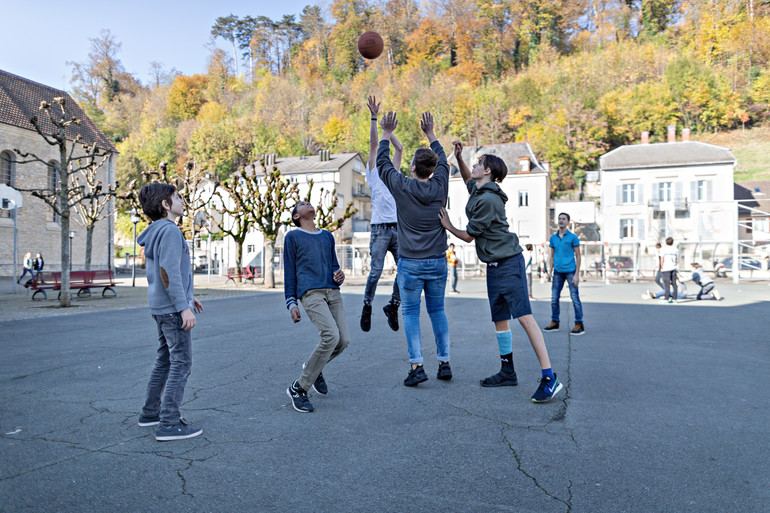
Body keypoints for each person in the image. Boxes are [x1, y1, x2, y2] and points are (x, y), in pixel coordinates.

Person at [439, 142, 562, 403]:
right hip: (494, 266)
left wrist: (448, 225)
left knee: (525, 319)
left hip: (508, 264)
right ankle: (508, 370)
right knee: (500, 320)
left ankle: (549, 377)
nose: (473, 166)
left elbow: (470, 236)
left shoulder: (489, 200)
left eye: (477, 163)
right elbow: (466, 179)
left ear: (488, 172)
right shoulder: (481, 189)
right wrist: (460, 157)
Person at [378, 110, 452, 386]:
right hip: (437, 261)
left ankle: (417, 366)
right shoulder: (440, 184)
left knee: (410, 313)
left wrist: (386, 132)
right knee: (437, 311)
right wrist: (431, 133)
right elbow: (444, 159)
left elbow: (382, 164)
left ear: (412, 167)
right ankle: (444, 363)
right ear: (431, 169)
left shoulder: (401, 186)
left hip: (410, 262)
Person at [136, 183, 204, 441]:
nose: (181, 200)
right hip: (171, 310)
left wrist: (188, 297)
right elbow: (168, 273)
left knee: (165, 360)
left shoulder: (155, 231)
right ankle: (168, 423)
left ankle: (151, 412)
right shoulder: (171, 231)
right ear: (165, 205)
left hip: (161, 306)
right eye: (176, 197)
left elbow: (167, 273)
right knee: (181, 363)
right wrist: (183, 307)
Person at [284, 200, 350, 413]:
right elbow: (289, 271)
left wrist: (339, 276)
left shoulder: (327, 236)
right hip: (310, 293)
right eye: (302, 204)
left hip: (333, 291)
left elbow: (334, 267)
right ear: (296, 216)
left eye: (308, 201)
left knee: (343, 340)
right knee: (330, 335)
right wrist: (291, 302)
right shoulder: (292, 237)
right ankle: (299, 388)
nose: (308, 203)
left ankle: (314, 368)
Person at [361, 96, 401, 333]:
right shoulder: (373, 172)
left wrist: (391, 132)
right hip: (379, 228)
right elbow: (374, 144)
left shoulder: (393, 173)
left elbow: (400, 148)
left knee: (404, 269)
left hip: (397, 227)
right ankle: (367, 306)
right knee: (375, 271)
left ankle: (393, 306)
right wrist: (376, 120)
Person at [543, 213, 585, 335]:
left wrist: (577, 274)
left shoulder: (573, 237)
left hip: (571, 271)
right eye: (559, 219)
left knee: (575, 298)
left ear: (568, 222)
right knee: (554, 298)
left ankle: (579, 323)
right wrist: (550, 272)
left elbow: (578, 255)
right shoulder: (553, 238)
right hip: (557, 272)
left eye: (563, 219)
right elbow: (552, 256)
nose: (561, 221)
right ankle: (555, 322)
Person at [659, 237, 679, 304]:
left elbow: (662, 259)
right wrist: (675, 265)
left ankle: (666, 298)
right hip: (673, 268)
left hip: (666, 268)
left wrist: (662, 267)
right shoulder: (676, 249)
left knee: (666, 284)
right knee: (674, 284)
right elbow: (677, 259)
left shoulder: (663, 249)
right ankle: (675, 298)